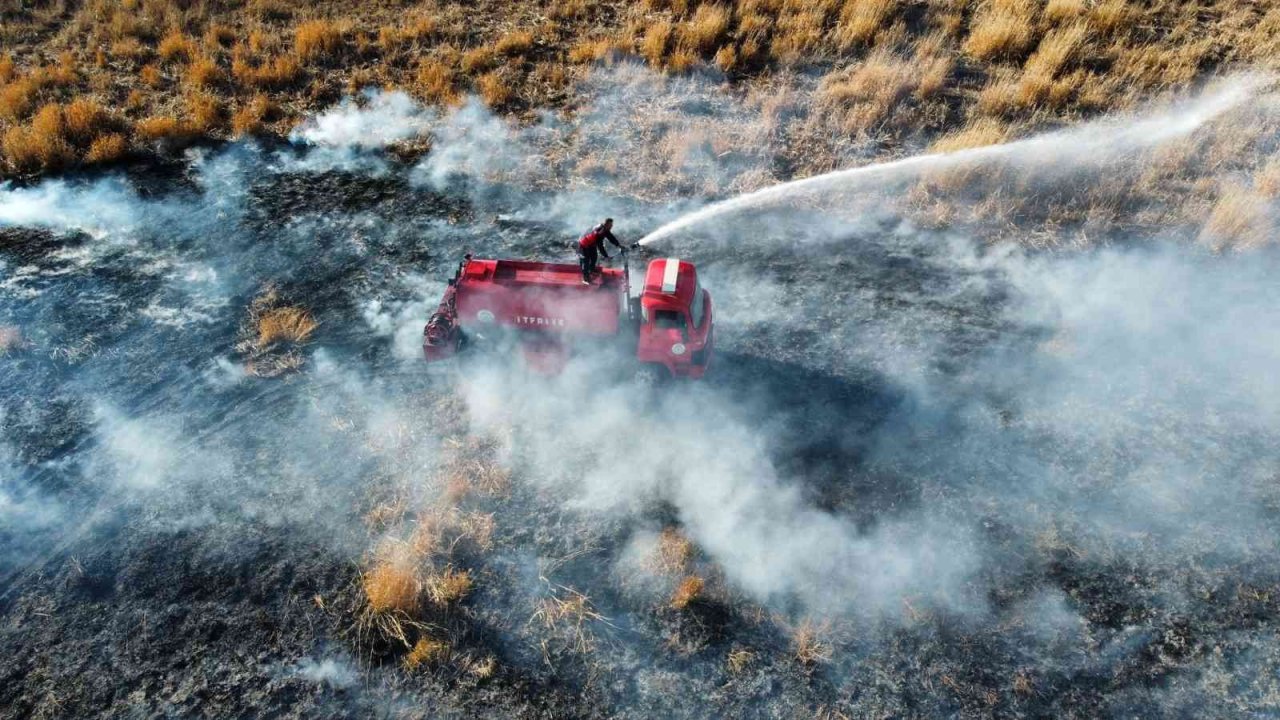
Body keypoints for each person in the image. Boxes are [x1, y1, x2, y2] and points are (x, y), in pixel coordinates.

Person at [576, 218, 623, 284]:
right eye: (611, 225)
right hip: (582, 245)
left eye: (612, 225)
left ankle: (591, 270)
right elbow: (600, 246)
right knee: (585, 261)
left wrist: (619, 245)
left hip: (590, 244)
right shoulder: (600, 232)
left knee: (594, 257)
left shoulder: (605, 229)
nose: (612, 226)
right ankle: (585, 279)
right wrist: (606, 256)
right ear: (606, 224)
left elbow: (611, 237)